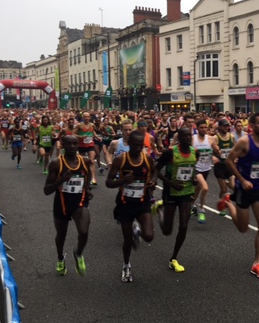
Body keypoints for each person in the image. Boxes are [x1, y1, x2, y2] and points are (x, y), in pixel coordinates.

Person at [217, 113, 259, 279]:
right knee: (243, 228)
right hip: (243, 189)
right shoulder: (244, 142)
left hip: (258, 188)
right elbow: (229, 160)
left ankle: (257, 263)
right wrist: (241, 179)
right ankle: (228, 202)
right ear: (252, 125)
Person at [106, 130, 156, 283]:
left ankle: (138, 231)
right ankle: (126, 264)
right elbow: (108, 183)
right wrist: (122, 181)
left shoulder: (147, 159)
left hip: (142, 203)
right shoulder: (120, 160)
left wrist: (153, 182)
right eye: (135, 145)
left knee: (149, 236)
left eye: (141, 145)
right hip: (125, 204)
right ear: (129, 144)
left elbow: (154, 173)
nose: (138, 148)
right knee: (127, 240)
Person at [43, 135, 91, 276]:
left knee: (83, 231)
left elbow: (86, 180)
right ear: (62, 146)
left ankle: (78, 253)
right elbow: (46, 190)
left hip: (79, 202)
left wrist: (88, 189)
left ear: (78, 145)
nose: (72, 147)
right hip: (61, 203)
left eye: (75, 144)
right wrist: (61, 180)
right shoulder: (56, 164)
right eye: (68, 144)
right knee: (61, 235)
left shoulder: (86, 161)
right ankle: (60, 258)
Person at [153, 127, 197, 272]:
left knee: (184, 225)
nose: (188, 138)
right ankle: (160, 210)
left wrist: (194, 178)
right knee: (167, 231)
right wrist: (170, 183)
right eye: (184, 136)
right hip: (171, 192)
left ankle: (174, 258)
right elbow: (156, 169)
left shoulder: (194, 152)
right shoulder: (170, 152)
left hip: (186, 192)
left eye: (189, 135)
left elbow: (191, 169)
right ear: (179, 137)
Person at [190, 119, 214, 224]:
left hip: (206, 168)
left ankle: (191, 204)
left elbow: (215, 150)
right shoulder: (193, 139)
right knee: (205, 187)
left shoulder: (211, 139)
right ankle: (202, 210)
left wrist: (216, 156)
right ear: (197, 128)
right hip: (196, 168)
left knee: (197, 189)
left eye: (205, 127)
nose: (204, 129)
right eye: (201, 128)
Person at [212, 118, 235, 216]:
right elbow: (211, 150)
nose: (226, 127)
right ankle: (222, 206)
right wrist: (215, 155)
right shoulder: (215, 138)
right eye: (224, 125)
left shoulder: (232, 137)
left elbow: (234, 148)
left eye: (227, 126)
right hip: (219, 166)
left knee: (234, 186)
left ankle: (226, 184)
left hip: (229, 165)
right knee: (224, 190)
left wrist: (235, 156)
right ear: (220, 127)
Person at [75, 112, 99, 185]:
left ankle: (94, 179)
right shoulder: (79, 125)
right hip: (81, 146)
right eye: (85, 117)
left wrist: (97, 137)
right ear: (83, 117)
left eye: (88, 117)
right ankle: (83, 175)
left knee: (91, 161)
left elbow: (93, 132)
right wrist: (80, 137)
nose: (86, 118)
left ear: (89, 117)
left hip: (90, 145)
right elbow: (73, 133)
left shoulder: (92, 125)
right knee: (82, 162)